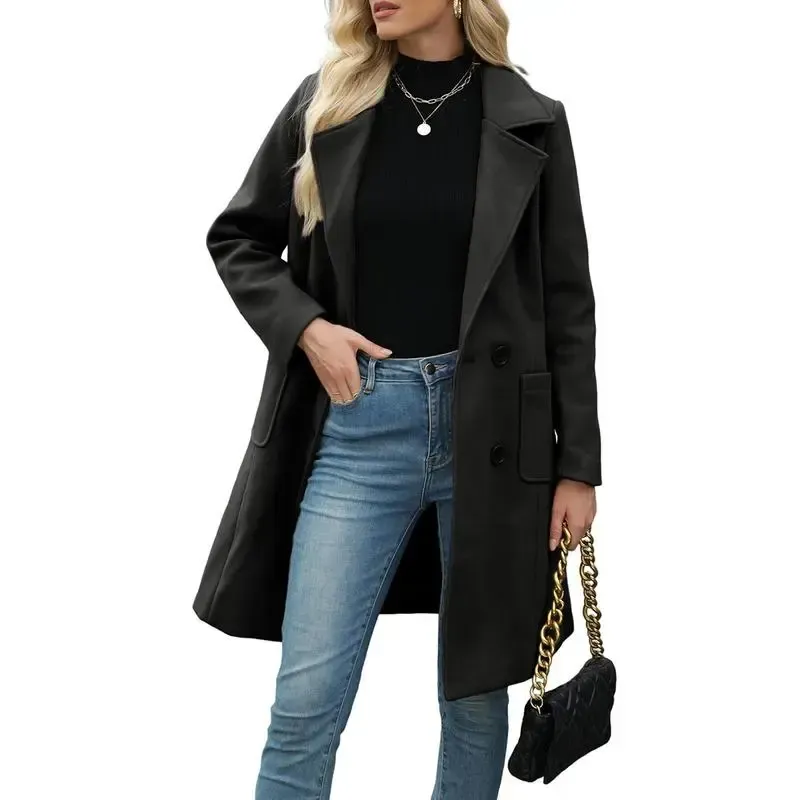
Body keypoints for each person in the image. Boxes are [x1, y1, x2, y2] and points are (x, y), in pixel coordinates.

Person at [193, 1, 601, 797]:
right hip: (357, 429)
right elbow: (238, 238)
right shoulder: (326, 102)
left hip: (493, 440)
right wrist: (308, 329)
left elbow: (567, 304)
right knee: (305, 706)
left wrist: (577, 466)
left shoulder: (532, 119)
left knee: (474, 702)